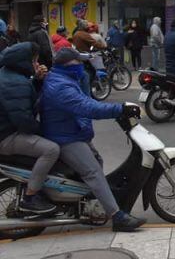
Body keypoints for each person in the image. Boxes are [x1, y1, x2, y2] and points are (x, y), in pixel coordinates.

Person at [40, 47, 145, 230]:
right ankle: (118, 217)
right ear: (67, 65)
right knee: (93, 172)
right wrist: (119, 109)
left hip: (72, 132)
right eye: (78, 62)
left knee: (97, 160)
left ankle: (84, 203)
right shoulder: (61, 86)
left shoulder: (65, 79)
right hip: (66, 138)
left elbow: (88, 102)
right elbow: (87, 107)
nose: (82, 64)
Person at [0, 43, 60, 214]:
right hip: (6, 136)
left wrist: (36, 80)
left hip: (8, 130)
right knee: (51, 149)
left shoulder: (10, 75)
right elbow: (24, 121)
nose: (37, 64)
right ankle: (30, 197)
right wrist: (46, 131)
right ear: (23, 62)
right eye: (34, 61)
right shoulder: (14, 83)